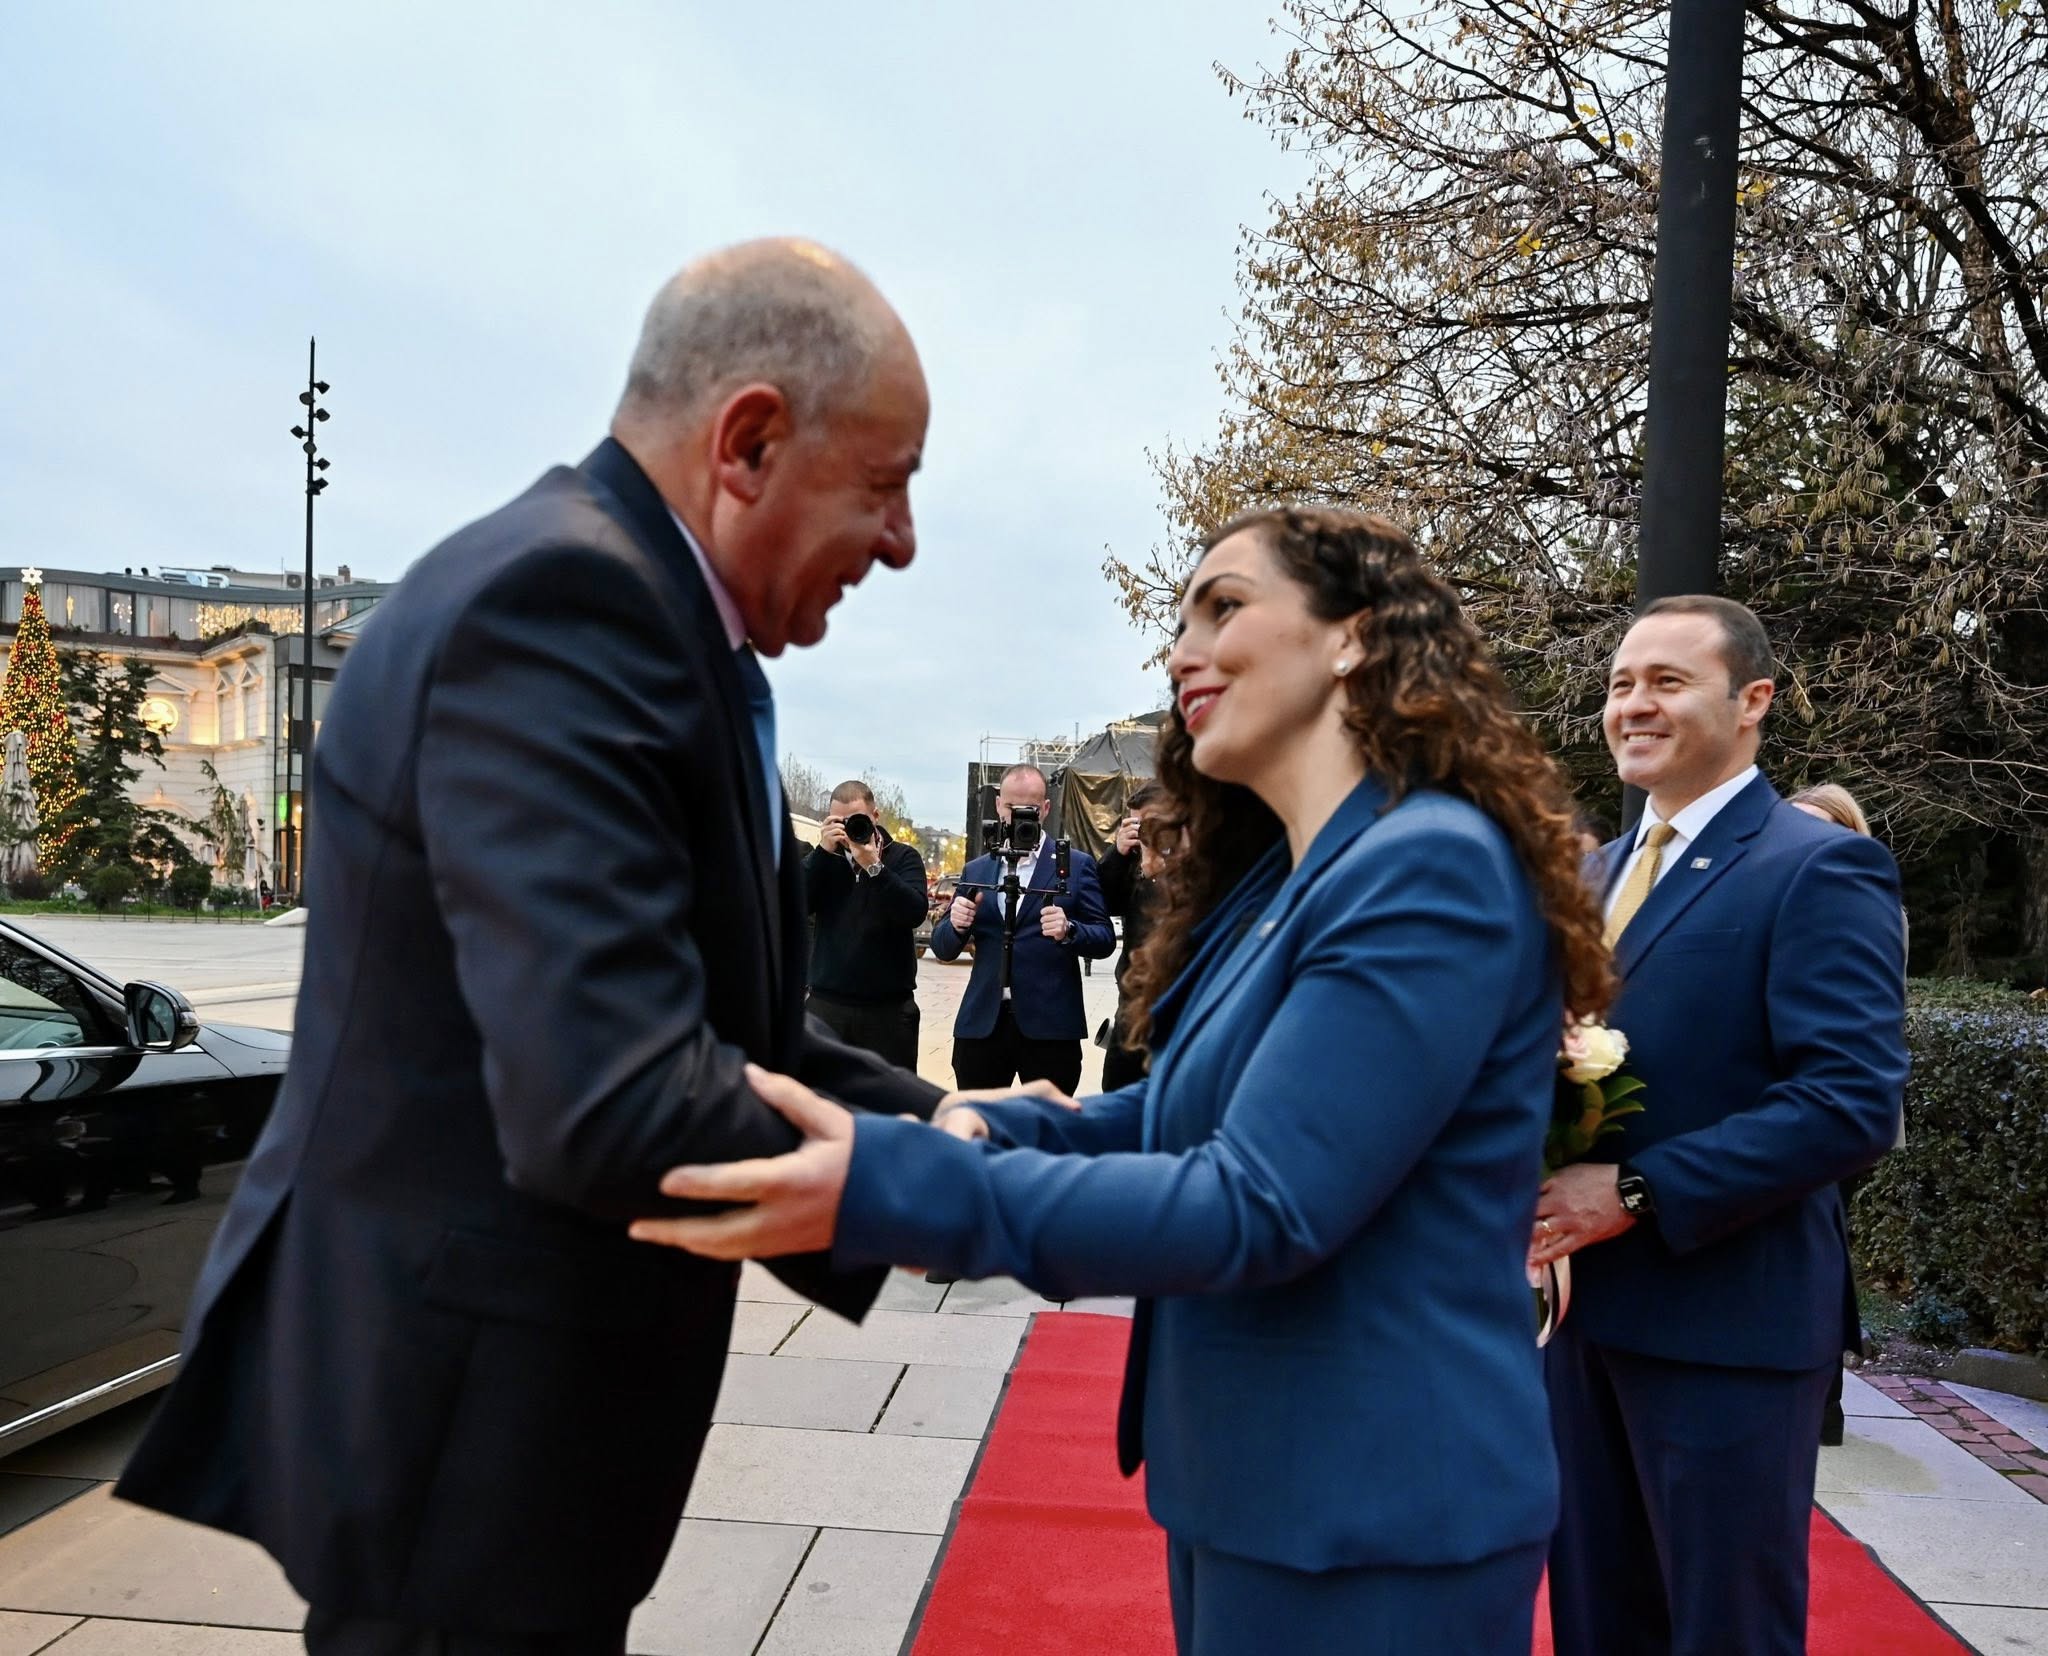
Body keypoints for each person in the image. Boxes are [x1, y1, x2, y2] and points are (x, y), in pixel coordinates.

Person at [115, 239, 945, 1656]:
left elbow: (711, 1025)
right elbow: (609, 1092)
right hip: (467, 1441)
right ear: (748, 440)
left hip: (501, 1429)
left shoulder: (642, 611)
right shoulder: (567, 607)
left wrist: (947, 1118)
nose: (904, 539)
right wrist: (953, 1188)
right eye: (886, 484)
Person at [630, 505, 1615, 1655]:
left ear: (1351, 636)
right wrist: (982, 1125)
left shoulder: (1424, 865)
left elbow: (1262, 1200)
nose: (1180, 652)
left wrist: (903, 1187)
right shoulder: (1298, 877)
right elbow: (1174, 1114)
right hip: (1269, 1483)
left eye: (1224, 608)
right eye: (1178, 620)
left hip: (1369, 1506)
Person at [1532, 597, 1908, 1656]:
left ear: (1751, 702)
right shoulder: (1593, 874)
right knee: (1598, 1624)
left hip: (1723, 1333)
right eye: (1617, 684)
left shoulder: (1815, 866)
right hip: (1578, 1325)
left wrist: (1636, 1191)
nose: (1632, 704)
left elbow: (1847, 1100)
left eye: (1664, 681)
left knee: (1719, 1633)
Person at [1787, 779, 1897, 1447]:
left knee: (1822, 1248)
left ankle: (1823, 1400)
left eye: (1822, 829)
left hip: (1834, 1112)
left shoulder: (1861, 898)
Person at [931, 763, 1115, 1096]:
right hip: (982, 1027)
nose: (1019, 816)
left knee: (1048, 1133)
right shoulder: (978, 868)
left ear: (1045, 809)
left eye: (1029, 808)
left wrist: (1070, 930)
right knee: (978, 1129)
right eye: (1012, 807)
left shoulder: (1075, 865)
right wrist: (955, 924)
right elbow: (943, 948)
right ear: (999, 805)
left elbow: (1104, 939)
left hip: (1051, 1030)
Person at [804, 778, 930, 1067]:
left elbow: (914, 911)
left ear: (875, 816)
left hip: (888, 1011)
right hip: (827, 1006)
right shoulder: (824, 859)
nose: (849, 828)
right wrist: (822, 852)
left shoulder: (903, 857)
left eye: (857, 820)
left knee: (893, 1104)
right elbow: (793, 902)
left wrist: (874, 866)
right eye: (840, 820)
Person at [1097, 780, 1165, 1092]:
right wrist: (1118, 853)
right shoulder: (1131, 863)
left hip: (1176, 1004)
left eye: (1150, 824)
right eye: (1135, 824)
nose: (1142, 833)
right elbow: (1105, 903)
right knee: (1115, 1089)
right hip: (1132, 1004)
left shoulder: (1199, 868)